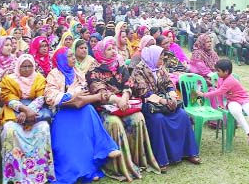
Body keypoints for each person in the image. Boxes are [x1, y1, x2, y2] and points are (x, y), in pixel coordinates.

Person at [86, 41, 161, 181]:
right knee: (114, 123)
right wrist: (117, 100)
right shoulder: (93, 70)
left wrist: (125, 97)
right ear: (101, 52)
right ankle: (118, 166)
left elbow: (128, 83)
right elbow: (99, 91)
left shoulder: (120, 65)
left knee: (138, 117)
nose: (113, 51)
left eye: (114, 48)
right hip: (103, 109)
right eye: (109, 49)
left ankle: (137, 161)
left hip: (124, 104)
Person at [45, 47, 122, 183]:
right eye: (69, 56)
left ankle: (91, 166)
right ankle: (75, 169)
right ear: (62, 60)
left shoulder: (77, 72)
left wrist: (77, 94)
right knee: (68, 139)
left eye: (72, 55)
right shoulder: (54, 74)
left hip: (79, 109)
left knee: (89, 111)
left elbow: (84, 91)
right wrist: (72, 94)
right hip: (62, 111)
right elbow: (50, 98)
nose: (73, 58)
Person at [129, 45, 201, 171]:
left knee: (182, 115)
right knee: (158, 119)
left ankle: (189, 152)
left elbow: (168, 83)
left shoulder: (160, 68)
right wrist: (162, 100)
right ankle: (161, 159)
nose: (162, 61)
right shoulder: (139, 70)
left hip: (165, 101)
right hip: (149, 103)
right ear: (152, 57)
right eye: (160, 58)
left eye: (162, 58)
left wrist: (172, 96)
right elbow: (142, 91)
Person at [0, 54, 55, 184]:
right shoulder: (9, 79)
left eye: (30, 66)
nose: (27, 69)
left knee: (43, 128)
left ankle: (39, 173)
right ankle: (14, 174)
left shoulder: (40, 78)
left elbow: (41, 98)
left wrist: (29, 111)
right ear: (18, 66)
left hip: (35, 112)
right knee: (9, 130)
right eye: (24, 66)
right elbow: (8, 97)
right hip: (13, 112)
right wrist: (23, 109)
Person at [196, 59, 249, 152]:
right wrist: (221, 104)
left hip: (244, 99)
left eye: (218, 71)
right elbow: (220, 94)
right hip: (232, 101)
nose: (217, 73)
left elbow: (219, 92)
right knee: (235, 111)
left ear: (226, 72)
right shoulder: (221, 79)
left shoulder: (230, 80)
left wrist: (203, 94)